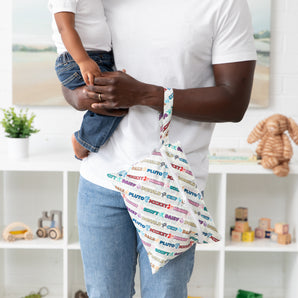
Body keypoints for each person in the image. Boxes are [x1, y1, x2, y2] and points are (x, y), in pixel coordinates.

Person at [62, 0, 256, 297]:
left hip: (171, 185)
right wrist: (78, 97)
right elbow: (71, 68)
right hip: (100, 181)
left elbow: (234, 101)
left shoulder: (224, 5)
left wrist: (143, 94)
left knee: (165, 293)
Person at [48, 0, 123, 159]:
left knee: (117, 97)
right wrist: (83, 61)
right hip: (76, 61)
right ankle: (83, 142)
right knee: (114, 100)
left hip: (100, 59)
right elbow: (65, 27)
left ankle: (86, 139)